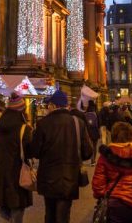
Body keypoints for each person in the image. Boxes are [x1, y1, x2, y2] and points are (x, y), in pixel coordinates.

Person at [30, 89, 94, 223]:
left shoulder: (43, 124)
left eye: (49, 105)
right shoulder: (78, 123)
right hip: (69, 177)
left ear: (53, 105)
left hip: (48, 177)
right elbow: (87, 152)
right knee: (63, 215)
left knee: (50, 214)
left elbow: (34, 151)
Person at [0, 93, 32, 223]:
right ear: (21, 110)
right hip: (17, 175)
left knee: (4, 206)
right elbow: (29, 153)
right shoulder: (24, 128)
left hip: (0, 174)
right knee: (17, 208)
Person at [92, 122, 132, 223]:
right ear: (131, 136)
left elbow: (98, 185)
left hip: (113, 204)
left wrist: (104, 195)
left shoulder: (106, 155)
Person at [84, 100, 101, 165]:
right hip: (95, 132)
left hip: (88, 132)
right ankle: (93, 161)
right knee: (95, 146)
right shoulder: (96, 112)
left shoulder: (85, 113)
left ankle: (91, 159)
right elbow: (99, 123)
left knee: (90, 146)